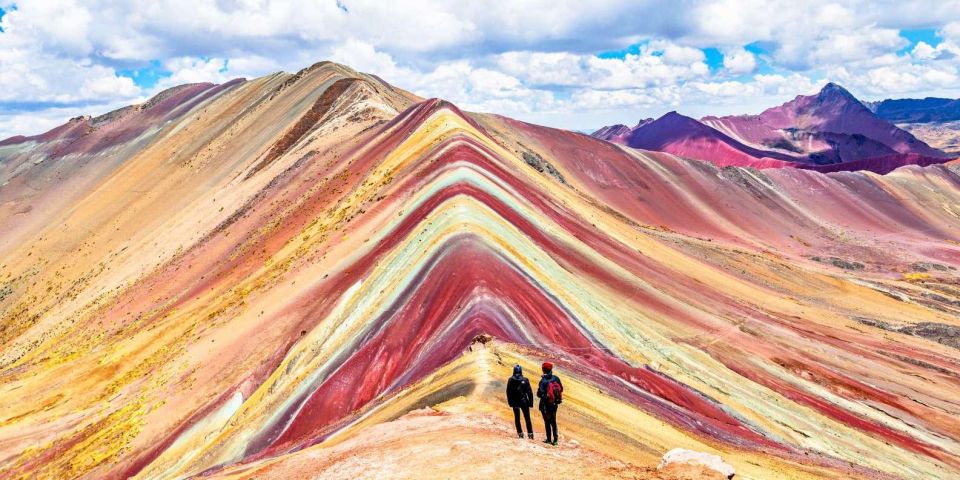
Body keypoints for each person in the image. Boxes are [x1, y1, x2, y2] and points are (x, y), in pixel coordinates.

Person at [536, 361, 563, 446]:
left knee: (547, 422)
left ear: (543, 370)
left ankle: (548, 439)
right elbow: (561, 389)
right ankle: (555, 441)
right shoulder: (556, 378)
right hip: (554, 404)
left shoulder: (543, 381)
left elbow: (539, 394)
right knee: (553, 421)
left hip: (545, 405)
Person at [505, 364, 534, 439]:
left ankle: (520, 434)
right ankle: (530, 434)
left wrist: (510, 402)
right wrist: (530, 403)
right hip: (524, 401)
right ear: (521, 371)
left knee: (517, 418)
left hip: (515, 402)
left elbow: (508, 392)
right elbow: (529, 392)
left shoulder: (510, 380)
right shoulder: (525, 380)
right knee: (527, 418)